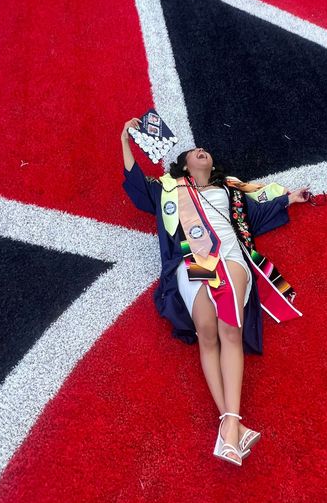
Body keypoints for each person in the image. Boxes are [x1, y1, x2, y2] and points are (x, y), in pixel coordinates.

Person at [121, 118, 310, 466]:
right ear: (184, 164)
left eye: (204, 152)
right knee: (207, 333)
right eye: (193, 152)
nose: (200, 151)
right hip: (195, 259)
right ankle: (231, 426)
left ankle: (231, 424)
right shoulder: (170, 191)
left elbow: (258, 211)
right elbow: (136, 187)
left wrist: (290, 200)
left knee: (230, 329)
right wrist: (125, 139)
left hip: (230, 257)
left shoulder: (230, 192)